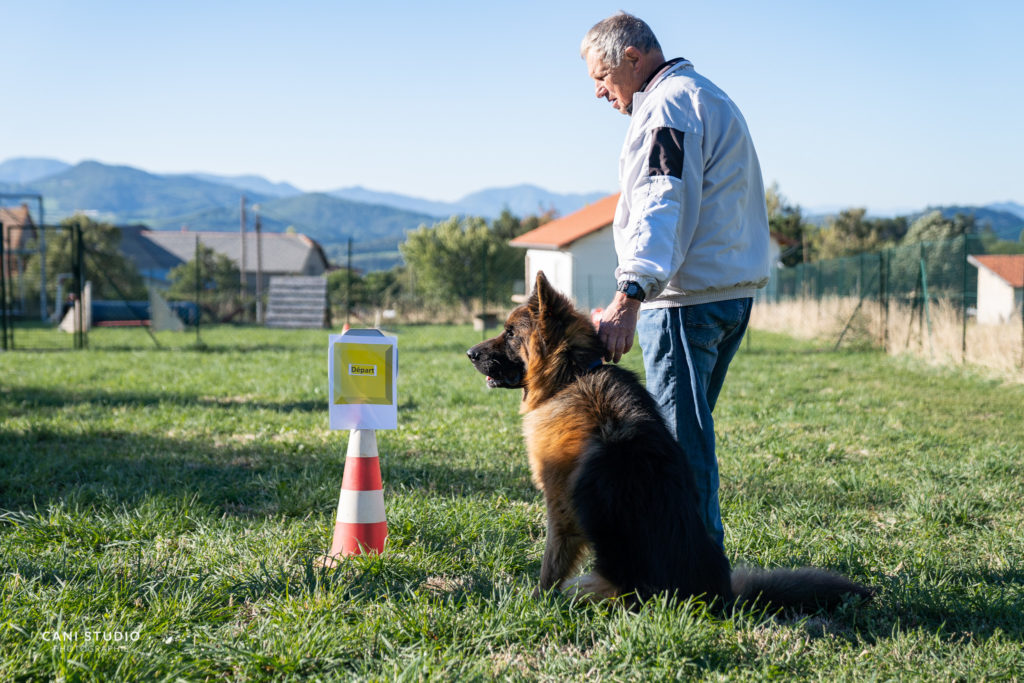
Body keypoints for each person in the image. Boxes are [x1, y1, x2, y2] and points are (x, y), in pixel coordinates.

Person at [581, 12, 771, 549]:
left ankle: (696, 574)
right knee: (686, 437)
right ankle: (685, 556)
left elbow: (662, 201)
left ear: (632, 59)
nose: (598, 92)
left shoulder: (668, 106)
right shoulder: (707, 95)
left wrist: (629, 295)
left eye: (601, 77)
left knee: (681, 448)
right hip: (727, 296)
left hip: (684, 306)